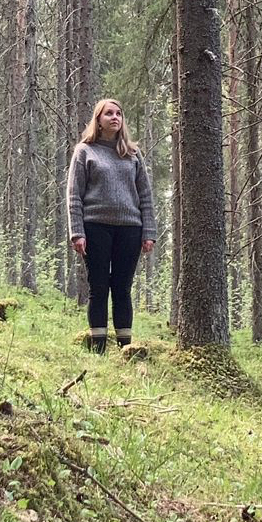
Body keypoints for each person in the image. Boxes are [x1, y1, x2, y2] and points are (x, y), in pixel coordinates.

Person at [67, 100, 156, 353]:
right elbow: (74, 195)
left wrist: (149, 232)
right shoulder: (85, 151)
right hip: (95, 227)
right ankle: (98, 347)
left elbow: (145, 195)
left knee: (122, 288)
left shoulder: (132, 153)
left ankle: (125, 347)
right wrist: (77, 232)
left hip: (130, 228)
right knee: (98, 287)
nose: (115, 117)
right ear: (98, 120)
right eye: (109, 114)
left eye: (118, 113)